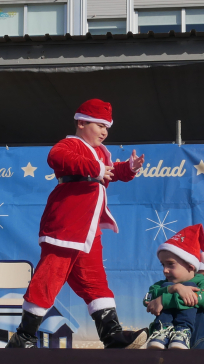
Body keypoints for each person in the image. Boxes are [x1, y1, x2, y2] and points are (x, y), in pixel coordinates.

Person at [8, 99, 147, 349]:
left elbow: (111, 171)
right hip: (66, 225)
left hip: (89, 230)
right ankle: (24, 337)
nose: (104, 132)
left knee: (95, 281)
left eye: (107, 128)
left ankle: (112, 336)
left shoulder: (101, 152)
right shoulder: (70, 145)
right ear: (81, 123)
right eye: (100, 125)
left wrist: (128, 168)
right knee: (49, 277)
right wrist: (95, 168)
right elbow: (56, 157)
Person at [143, 225, 204, 349]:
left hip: (199, 337)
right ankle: (163, 331)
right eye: (163, 265)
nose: (165, 270)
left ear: (191, 266)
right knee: (168, 285)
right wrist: (173, 288)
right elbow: (147, 299)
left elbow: (199, 297)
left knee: (189, 288)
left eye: (170, 264)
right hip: (168, 341)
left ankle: (183, 332)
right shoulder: (163, 283)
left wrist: (163, 299)